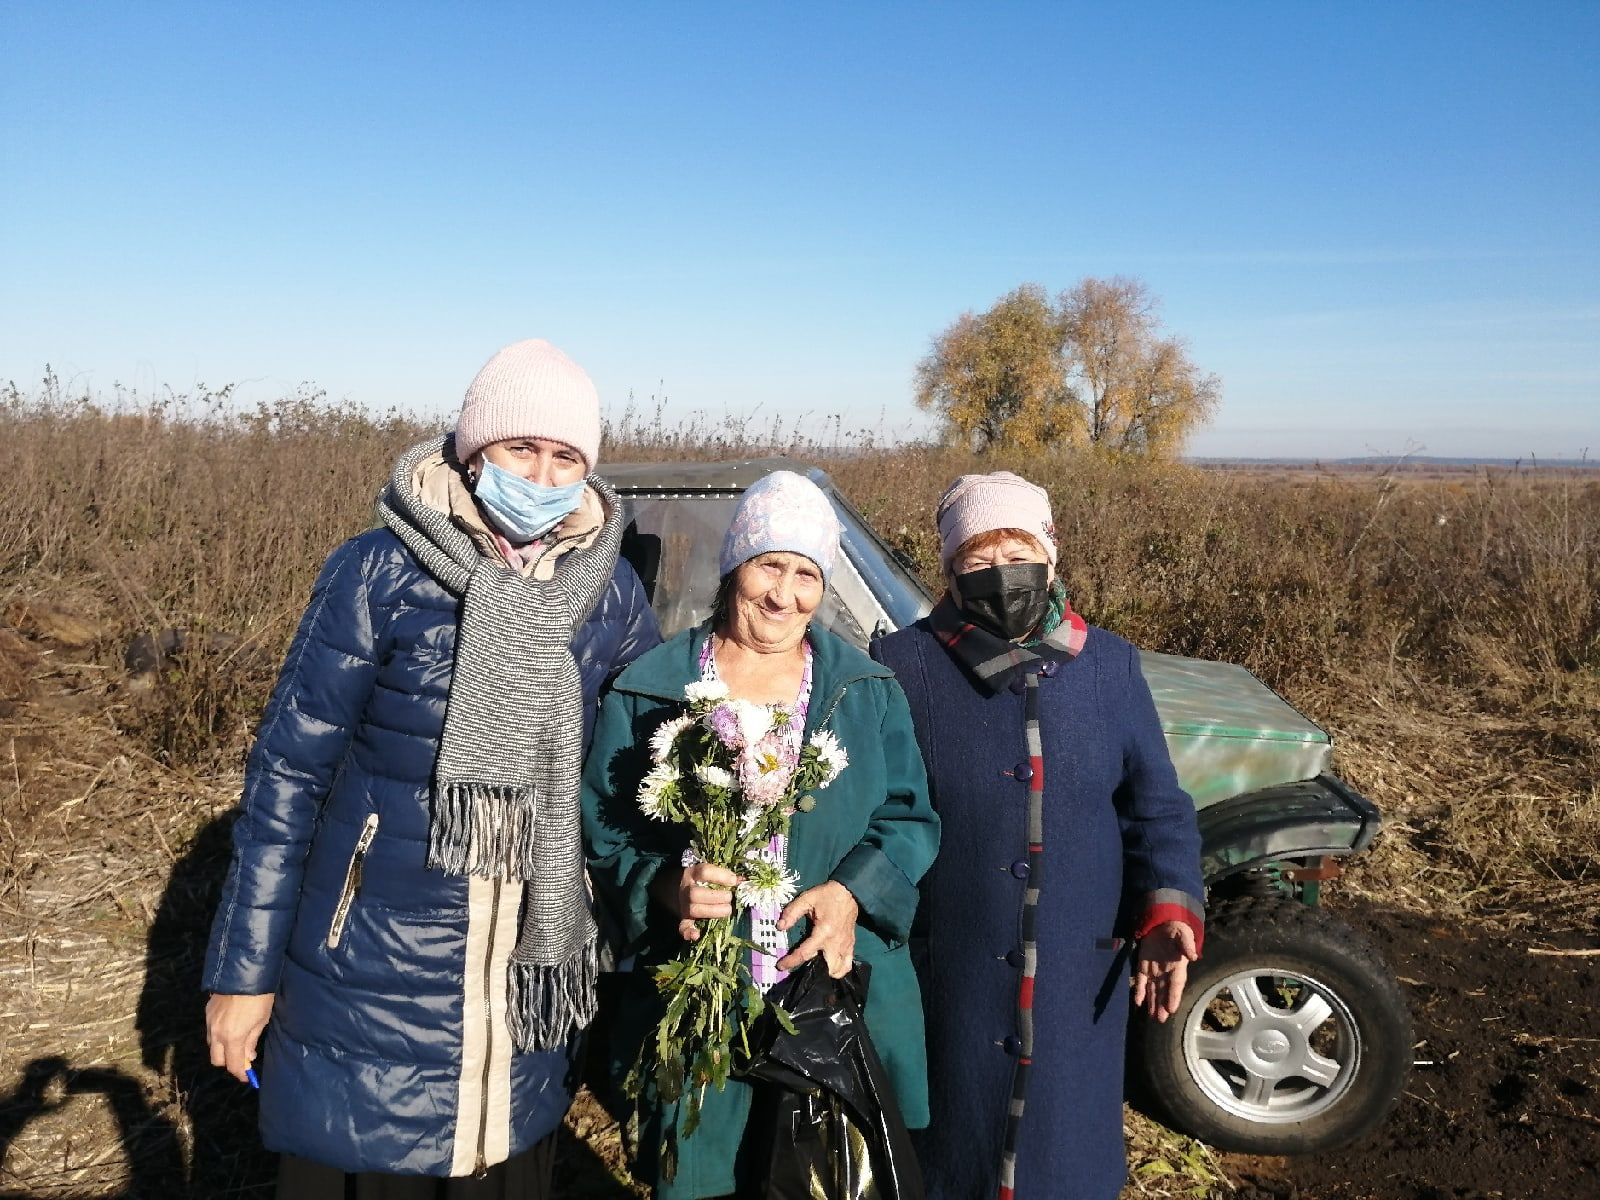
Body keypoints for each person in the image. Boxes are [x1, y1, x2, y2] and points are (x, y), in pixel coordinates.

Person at [202, 339, 661, 1197]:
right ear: (472, 449)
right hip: (367, 979)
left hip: (525, 988)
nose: (543, 472)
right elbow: (286, 785)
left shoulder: (610, 594)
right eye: (522, 447)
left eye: (566, 456)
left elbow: (649, 757)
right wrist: (242, 976)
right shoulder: (378, 572)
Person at [581, 470, 940, 1199]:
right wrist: (661, 887)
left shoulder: (864, 694)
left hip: (830, 1004)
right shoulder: (651, 689)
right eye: (769, 565)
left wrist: (850, 893)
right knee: (706, 1177)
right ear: (733, 567)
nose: (784, 595)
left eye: (806, 573)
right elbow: (602, 835)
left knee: (818, 1180)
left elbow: (909, 820)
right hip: (700, 1005)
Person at [870, 471, 1205, 1200]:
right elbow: (879, 814)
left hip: (1074, 980)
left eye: (1017, 552)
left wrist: (1169, 907)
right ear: (950, 570)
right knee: (947, 1157)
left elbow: (1158, 806)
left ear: (1051, 554)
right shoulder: (904, 667)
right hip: (950, 973)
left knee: (1066, 1159)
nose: (1002, 576)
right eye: (978, 562)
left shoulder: (1109, 666)